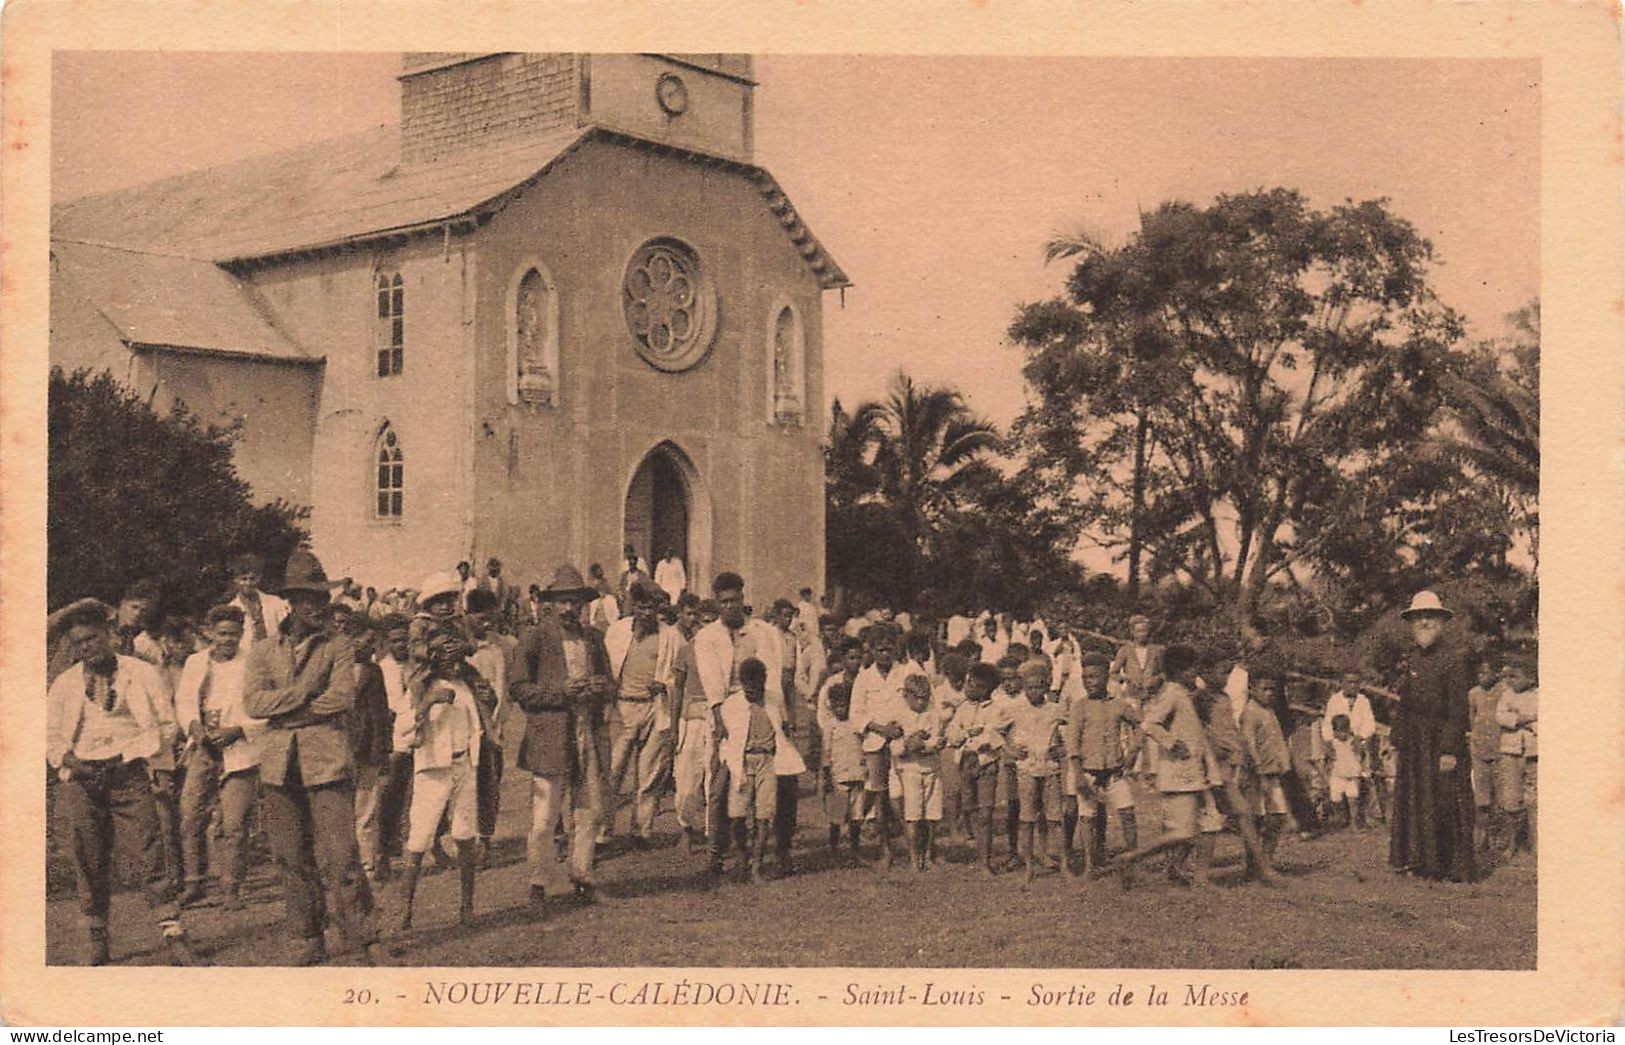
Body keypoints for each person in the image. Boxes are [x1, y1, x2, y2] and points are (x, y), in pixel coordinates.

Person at [242, 550, 383, 966]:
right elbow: (253, 702)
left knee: (341, 855)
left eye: (321, 598)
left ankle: (361, 936)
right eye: (306, 598)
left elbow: (342, 696)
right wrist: (304, 694)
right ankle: (306, 935)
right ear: (291, 602)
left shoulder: (339, 645)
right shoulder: (264, 651)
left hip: (326, 761)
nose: (316, 606)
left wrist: (287, 709)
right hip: (277, 766)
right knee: (289, 856)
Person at [46, 598, 201, 966]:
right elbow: (50, 735)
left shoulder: (141, 673)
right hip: (82, 778)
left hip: (128, 773)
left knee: (150, 852)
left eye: (93, 639)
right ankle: (97, 935)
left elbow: (166, 724)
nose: (87, 648)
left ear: (109, 636)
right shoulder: (65, 684)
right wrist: (70, 761)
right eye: (79, 643)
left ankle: (173, 932)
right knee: (88, 856)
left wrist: (133, 754)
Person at [510, 565, 614, 914]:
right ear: (551, 604)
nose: (570, 609)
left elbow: (609, 683)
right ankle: (538, 885)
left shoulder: (595, 639)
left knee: (590, 812)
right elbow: (519, 689)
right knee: (544, 818)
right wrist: (559, 692)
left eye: (576, 603)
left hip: (587, 733)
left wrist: (601, 688)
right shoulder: (536, 638)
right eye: (563, 602)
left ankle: (581, 875)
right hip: (552, 736)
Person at [694, 572, 804, 877]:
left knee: (786, 779)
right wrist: (720, 723)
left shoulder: (763, 632)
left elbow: (773, 676)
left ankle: (782, 849)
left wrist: (781, 718)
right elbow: (712, 685)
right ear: (717, 603)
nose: (731, 606)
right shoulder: (707, 637)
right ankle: (717, 852)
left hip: (764, 706)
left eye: (735, 600)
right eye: (724, 601)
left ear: (743, 599)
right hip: (728, 711)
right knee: (720, 786)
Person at [395, 626, 493, 931]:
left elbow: (480, 721)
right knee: (419, 839)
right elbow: (401, 730)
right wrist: (427, 703)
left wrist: (488, 699)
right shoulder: (421, 688)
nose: (454, 666)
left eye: (458, 661)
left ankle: (467, 907)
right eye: (448, 661)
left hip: (464, 766)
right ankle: (404, 912)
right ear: (435, 661)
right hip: (433, 772)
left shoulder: (466, 686)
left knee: (465, 837)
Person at [1112, 644, 1227, 889]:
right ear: (1179, 670)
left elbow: (1196, 735)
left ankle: (1200, 878)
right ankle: (1131, 857)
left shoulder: (1182, 693)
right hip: (1179, 774)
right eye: (1191, 668)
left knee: (1211, 824)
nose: (1196, 673)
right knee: (1184, 833)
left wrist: (1212, 770)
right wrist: (1171, 743)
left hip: (1196, 772)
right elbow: (1149, 724)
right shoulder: (1171, 694)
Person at [175, 604, 262, 909]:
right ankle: (195, 882)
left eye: (234, 634)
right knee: (191, 815)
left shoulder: (253, 661)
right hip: (204, 748)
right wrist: (194, 726)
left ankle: (231, 887)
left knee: (234, 824)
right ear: (210, 632)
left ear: (242, 634)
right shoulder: (196, 662)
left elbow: (266, 707)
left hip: (240, 750)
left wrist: (240, 729)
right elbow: (184, 700)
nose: (227, 640)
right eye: (222, 633)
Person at [1389, 590, 1476, 882]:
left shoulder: (1453, 660)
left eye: (1430, 617)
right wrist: (1396, 739)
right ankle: (1417, 860)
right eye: (1418, 618)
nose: (1424, 622)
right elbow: (1404, 703)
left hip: (1440, 742)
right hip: (1415, 743)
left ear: (1441, 622)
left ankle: (1448, 866)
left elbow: (1458, 709)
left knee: (1444, 801)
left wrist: (1450, 750)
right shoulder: (1411, 658)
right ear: (1411, 623)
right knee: (1415, 800)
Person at [603, 580, 682, 847]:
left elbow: (681, 673)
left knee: (649, 774)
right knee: (612, 771)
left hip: (654, 708)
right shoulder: (617, 632)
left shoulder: (670, 636)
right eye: (641, 607)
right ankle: (603, 830)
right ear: (633, 606)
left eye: (651, 607)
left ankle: (641, 831)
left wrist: (665, 685)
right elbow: (605, 669)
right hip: (622, 708)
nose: (646, 613)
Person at [1066, 651, 1141, 876]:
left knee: (1127, 814)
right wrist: (1078, 776)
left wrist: (1133, 752)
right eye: (1086, 678)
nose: (1091, 682)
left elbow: (1140, 725)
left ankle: (1131, 862)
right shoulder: (1079, 707)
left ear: (1106, 677)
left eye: (1095, 677)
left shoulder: (1119, 704)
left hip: (1115, 773)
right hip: (1088, 773)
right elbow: (1073, 745)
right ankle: (1090, 865)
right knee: (1087, 819)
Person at [718, 658, 786, 882]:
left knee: (764, 815)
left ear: (763, 683)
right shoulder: (731, 704)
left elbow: (784, 727)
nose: (752, 691)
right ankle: (742, 857)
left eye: (757, 687)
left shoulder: (774, 701)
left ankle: (756, 864)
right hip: (741, 761)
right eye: (748, 686)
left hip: (767, 760)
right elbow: (724, 738)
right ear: (741, 683)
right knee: (737, 815)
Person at [340, 610, 395, 882]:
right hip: (337, 751)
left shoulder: (374, 672)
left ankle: (367, 865)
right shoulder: (333, 669)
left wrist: (380, 751)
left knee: (366, 810)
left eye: (374, 642)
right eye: (366, 640)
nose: (371, 646)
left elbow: (380, 714)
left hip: (365, 751)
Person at [848, 624, 908, 870]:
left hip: (901, 740)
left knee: (905, 795)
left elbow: (914, 704)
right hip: (875, 743)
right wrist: (881, 729)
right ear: (871, 651)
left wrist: (900, 725)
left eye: (889, 649)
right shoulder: (864, 678)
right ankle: (886, 849)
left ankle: (918, 846)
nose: (885, 654)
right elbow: (856, 715)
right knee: (881, 797)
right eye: (880, 649)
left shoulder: (904, 673)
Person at [1007, 659, 1067, 883]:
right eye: (1030, 687)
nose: (1035, 691)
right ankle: (1029, 867)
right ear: (1024, 687)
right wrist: (1010, 750)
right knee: (1027, 819)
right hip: (1027, 770)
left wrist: (1062, 747)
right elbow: (994, 730)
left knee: (1054, 819)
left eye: (1039, 686)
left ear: (1046, 686)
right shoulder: (1016, 710)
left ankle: (1064, 866)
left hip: (1050, 769)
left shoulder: (1055, 709)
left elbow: (1071, 731)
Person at [947, 662, 1009, 874]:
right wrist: (965, 734)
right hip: (966, 763)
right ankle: (978, 848)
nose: (970, 689)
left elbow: (997, 735)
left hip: (986, 765)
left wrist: (983, 737)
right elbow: (952, 735)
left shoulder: (996, 709)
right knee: (970, 808)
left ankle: (985, 861)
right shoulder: (963, 708)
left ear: (987, 690)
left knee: (986, 812)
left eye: (976, 686)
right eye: (969, 684)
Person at [464, 588, 510, 867]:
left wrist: (496, 727)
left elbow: (502, 691)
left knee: (488, 785)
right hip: (461, 729)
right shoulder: (459, 647)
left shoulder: (495, 651)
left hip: (488, 731)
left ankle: (485, 841)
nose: (487, 624)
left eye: (490, 618)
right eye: (481, 618)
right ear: (468, 616)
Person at [670, 596, 717, 851]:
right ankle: (686, 828)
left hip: (718, 717)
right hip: (692, 719)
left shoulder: (724, 650)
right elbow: (677, 689)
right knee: (687, 779)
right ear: (695, 624)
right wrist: (675, 726)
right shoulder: (687, 650)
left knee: (715, 777)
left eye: (712, 622)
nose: (707, 627)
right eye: (703, 623)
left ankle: (713, 834)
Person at [372, 614, 416, 882]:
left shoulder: (413, 666)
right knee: (387, 799)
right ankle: (381, 855)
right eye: (396, 640)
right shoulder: (383, 668)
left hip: (413, 737)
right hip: (393, 740)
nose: (402, 645)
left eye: (405, 640)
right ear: (387, 642)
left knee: (411, 798)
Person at [1239, 670, 1294, 874]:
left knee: (1278, 816)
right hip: (1257, 775)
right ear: (1252, 689)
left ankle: (1266, 861)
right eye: (1265, 689)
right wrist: (1259, 769)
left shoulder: (1270, 711)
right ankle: (1253, 864)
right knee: (1256, 818)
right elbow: (1249, 743)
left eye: (1273, 689)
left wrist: (1284, 764)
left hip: (1273, 773)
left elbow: (1278, 741)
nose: (1270, 693)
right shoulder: (1250, 712)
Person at [892, 674, 945, 872]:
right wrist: (909, 745)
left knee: (933, 816)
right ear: (906, 696)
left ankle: (929, 855)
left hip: (932, 768)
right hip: (910, 771)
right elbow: (896, 749)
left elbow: (937, 741)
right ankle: (914, 858)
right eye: (917, 698)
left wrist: (922, 744)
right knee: (913, 816)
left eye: (925, 697)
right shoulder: (899, 716)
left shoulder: (933, 714)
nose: (922, 702)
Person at [817, 654, 867, 860]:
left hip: (858, 773)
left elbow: (865, 746)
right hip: (838, 776)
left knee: (857, 815)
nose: (840, 709)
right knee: (836, 814)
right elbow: (826, 752)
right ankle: (833, 846)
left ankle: (855, 847)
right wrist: (826, 774)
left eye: (843, 705)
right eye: (836, 706)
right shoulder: (831, 726)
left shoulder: (857, 724)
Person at [1495, 663, 1538, 856]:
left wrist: (1519, 718)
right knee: (1510, 798)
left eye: (1516, 677)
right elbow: (1501, 717)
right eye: (1509, 677)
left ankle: (1536, 843)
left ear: (1530, 679)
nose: (1511, 681)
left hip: (1534, 751)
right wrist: (1526, 719)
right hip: (1510, 751)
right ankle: (1511, 844)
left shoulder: (1539, 695)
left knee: (1535, 798)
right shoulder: (1506, 695)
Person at [932, 651, 970, 841]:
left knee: (966, 786)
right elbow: (939, 717)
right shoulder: (940, 692)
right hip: (948, 744)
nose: (959, 682)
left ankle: (965, 825)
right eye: (955, 678)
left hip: (966, 742)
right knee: (952, 789)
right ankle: (953, 828)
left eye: (961, 678)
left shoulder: (966, 689)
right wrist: (954, 708)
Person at [1467, 658, 1504, 851]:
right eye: (1479, 673)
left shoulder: (1503, 691)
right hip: (1479, 749)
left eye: (1486, 673)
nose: (1483, 677)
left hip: (1499, 749)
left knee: (1499, 795)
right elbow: (1472, 718)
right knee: (1482, 796)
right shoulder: (1473, 693)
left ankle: (1498, 836)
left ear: (1496, 673)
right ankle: (1482, 835)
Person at [227, 553, 288, 647]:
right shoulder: (232, 608)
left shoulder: (275, 603)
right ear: (236, 580)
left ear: (259, 578)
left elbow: (285, 631)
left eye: (252, 578)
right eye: (244, 579)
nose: (248, 583)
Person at [1110, 614, 1164, 705]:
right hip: (1132, 696)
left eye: (1144, 631)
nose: (1142, 634)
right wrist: (1126, 679)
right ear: (1132, 632)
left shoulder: (1157, 650)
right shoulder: (1125, 650)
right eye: (1138, 631)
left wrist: (1156, 680)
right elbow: (1113, 673)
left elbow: (1164, 672)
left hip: (1153, 696)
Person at [1324, 714, 1366, 830]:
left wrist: (1360, 768)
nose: (1342, 734)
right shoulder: (1332, 744)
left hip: (1352, 775)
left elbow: (1362, 755)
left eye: (1344, 731)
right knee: (1336, 799)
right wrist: (1327, 771)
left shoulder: (1354, 742)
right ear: (1334, 732)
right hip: (1338, 774)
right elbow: (1328, 759)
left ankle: (1354, 823)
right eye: (1338, 731)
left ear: (1348, 730)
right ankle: (1341, 819)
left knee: (1353, 799)